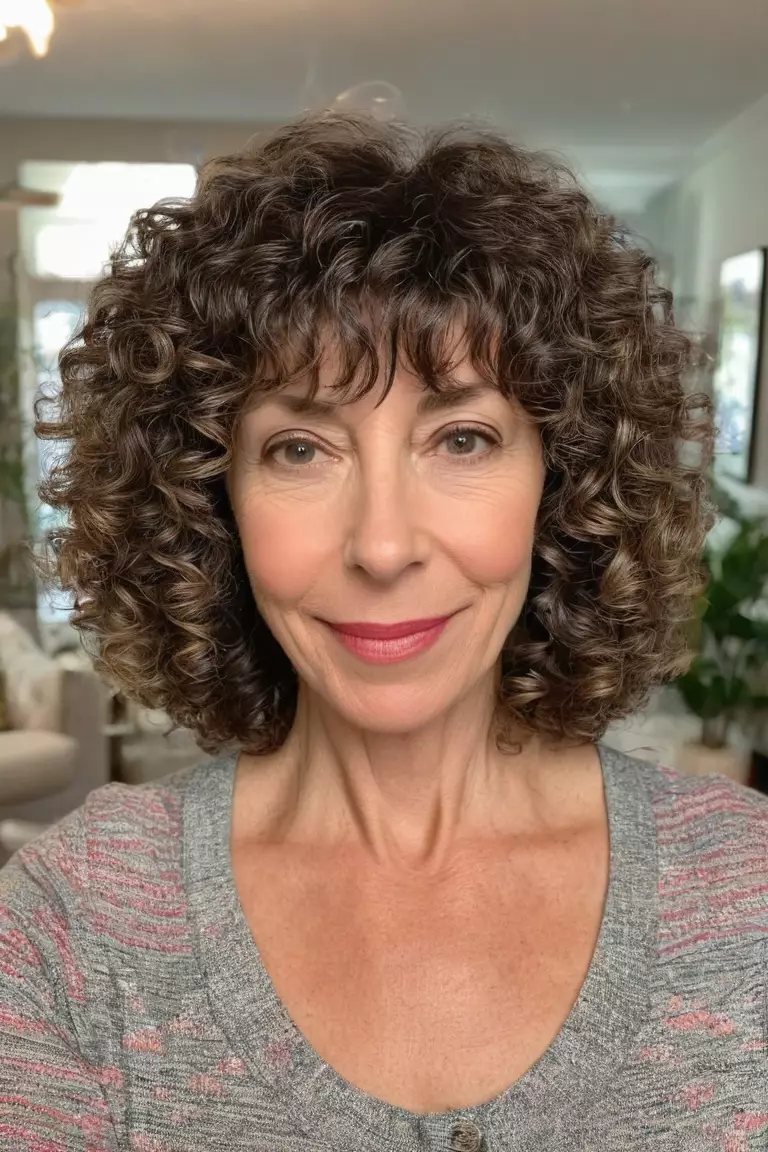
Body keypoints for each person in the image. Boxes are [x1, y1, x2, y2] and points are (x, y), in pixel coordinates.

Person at [1, 112, 766, 1152]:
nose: (383, 546)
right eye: (301, 450)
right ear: (208, 497)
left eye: (462, 437)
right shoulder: (72, 931)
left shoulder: (746, 899)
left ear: (566, 479)